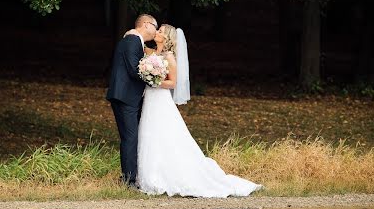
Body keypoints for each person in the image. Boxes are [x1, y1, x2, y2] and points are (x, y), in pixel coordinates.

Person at [135, 24, 263, 197]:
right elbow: (139, 46)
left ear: (167, 38)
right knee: (149, 134)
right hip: (150, 100)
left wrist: (154, 81)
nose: (156, 32)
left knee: (163, 135)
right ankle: (148, 176)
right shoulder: (153, 54)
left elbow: (173, 83)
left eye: (160, 31)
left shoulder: (169, 57)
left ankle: (164, 177)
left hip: (160, 100)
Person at [106, 13, 158, 186]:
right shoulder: (133, 41)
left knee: (130, 137)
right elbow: (134, 69)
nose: (155, 31)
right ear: (145, 24)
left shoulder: (132, 40)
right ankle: (129, 180)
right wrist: (153, 77)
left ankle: (129, 177)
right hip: (126, 96)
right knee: (130, 137)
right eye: (154, 27)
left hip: (124, 95)